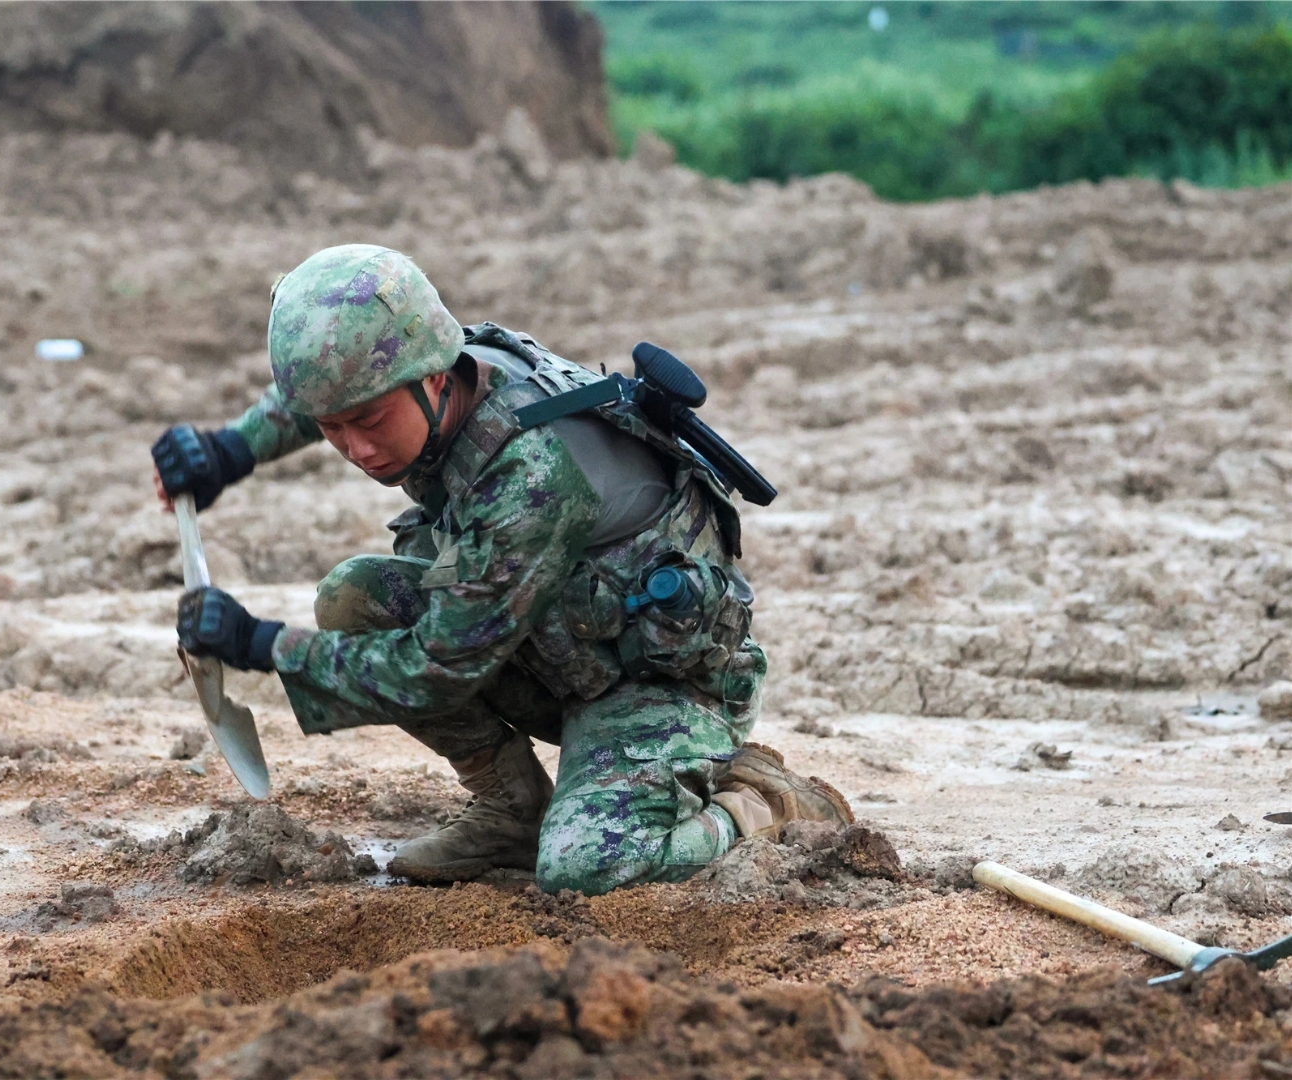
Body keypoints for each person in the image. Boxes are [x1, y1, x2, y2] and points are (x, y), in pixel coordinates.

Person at [151, 244, 852, 895]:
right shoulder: (445, 360)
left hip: (662, 685)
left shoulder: (532, 472)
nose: (356, 449)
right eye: (334, 430)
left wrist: (262, 645)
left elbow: (435, 670)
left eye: (369, 421)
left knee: (587, 866)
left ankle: (762, 799)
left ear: (429, 377)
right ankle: (509, 810)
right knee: (353, 600)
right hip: (556, 641)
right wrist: (229, 450)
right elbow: (331, 390)